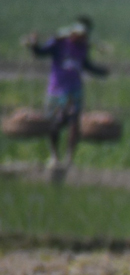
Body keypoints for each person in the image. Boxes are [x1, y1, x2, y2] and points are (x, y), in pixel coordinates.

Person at [22, 17, 108, 182]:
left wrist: (101, 72)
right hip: (56, 91)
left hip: (75, 90)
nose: (82, 38)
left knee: (74, 123)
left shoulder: (83, 47)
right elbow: (40, 53)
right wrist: (33, 44)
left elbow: (86, 65)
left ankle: (69, 159)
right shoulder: (58, 43)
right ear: (73, 33)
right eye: (80, 35)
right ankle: (54, 156)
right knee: (54, 123)